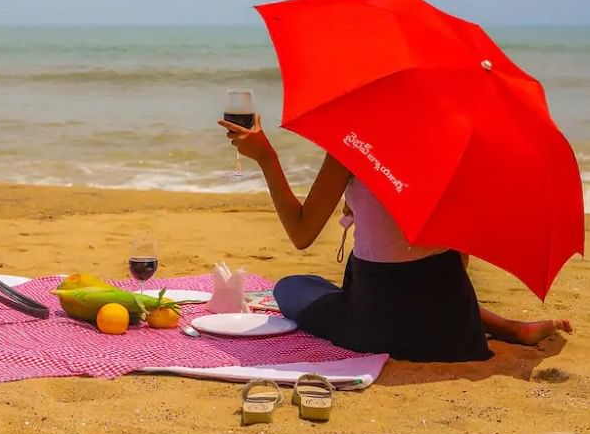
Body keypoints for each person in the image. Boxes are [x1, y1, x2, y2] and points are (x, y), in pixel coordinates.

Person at [218, 115, 572, 362]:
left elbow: (301, 233)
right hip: (454, 328)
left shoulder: (352, 142)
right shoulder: (456, 142)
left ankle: (510, 327)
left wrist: (265, 156)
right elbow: (460, 259)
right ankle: (510, 328)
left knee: (294, 286)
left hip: (377, 326)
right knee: (425, 283)